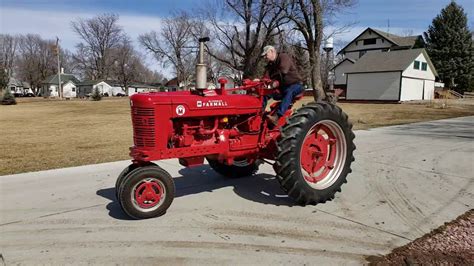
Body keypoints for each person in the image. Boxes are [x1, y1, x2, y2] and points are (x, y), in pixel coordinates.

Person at [259, 45, 303, 126]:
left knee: (289, 91)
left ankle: (277, 116)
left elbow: (284, 71)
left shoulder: (283, 57)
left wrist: (272, 80)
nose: (265, 57)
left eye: (266, 55)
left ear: (272, 51)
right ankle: (258, 114)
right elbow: (265, 77)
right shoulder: (270, 65)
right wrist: (260, 81)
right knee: (264, 92)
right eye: (264, 56)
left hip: (295, 85)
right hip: (282, 88)